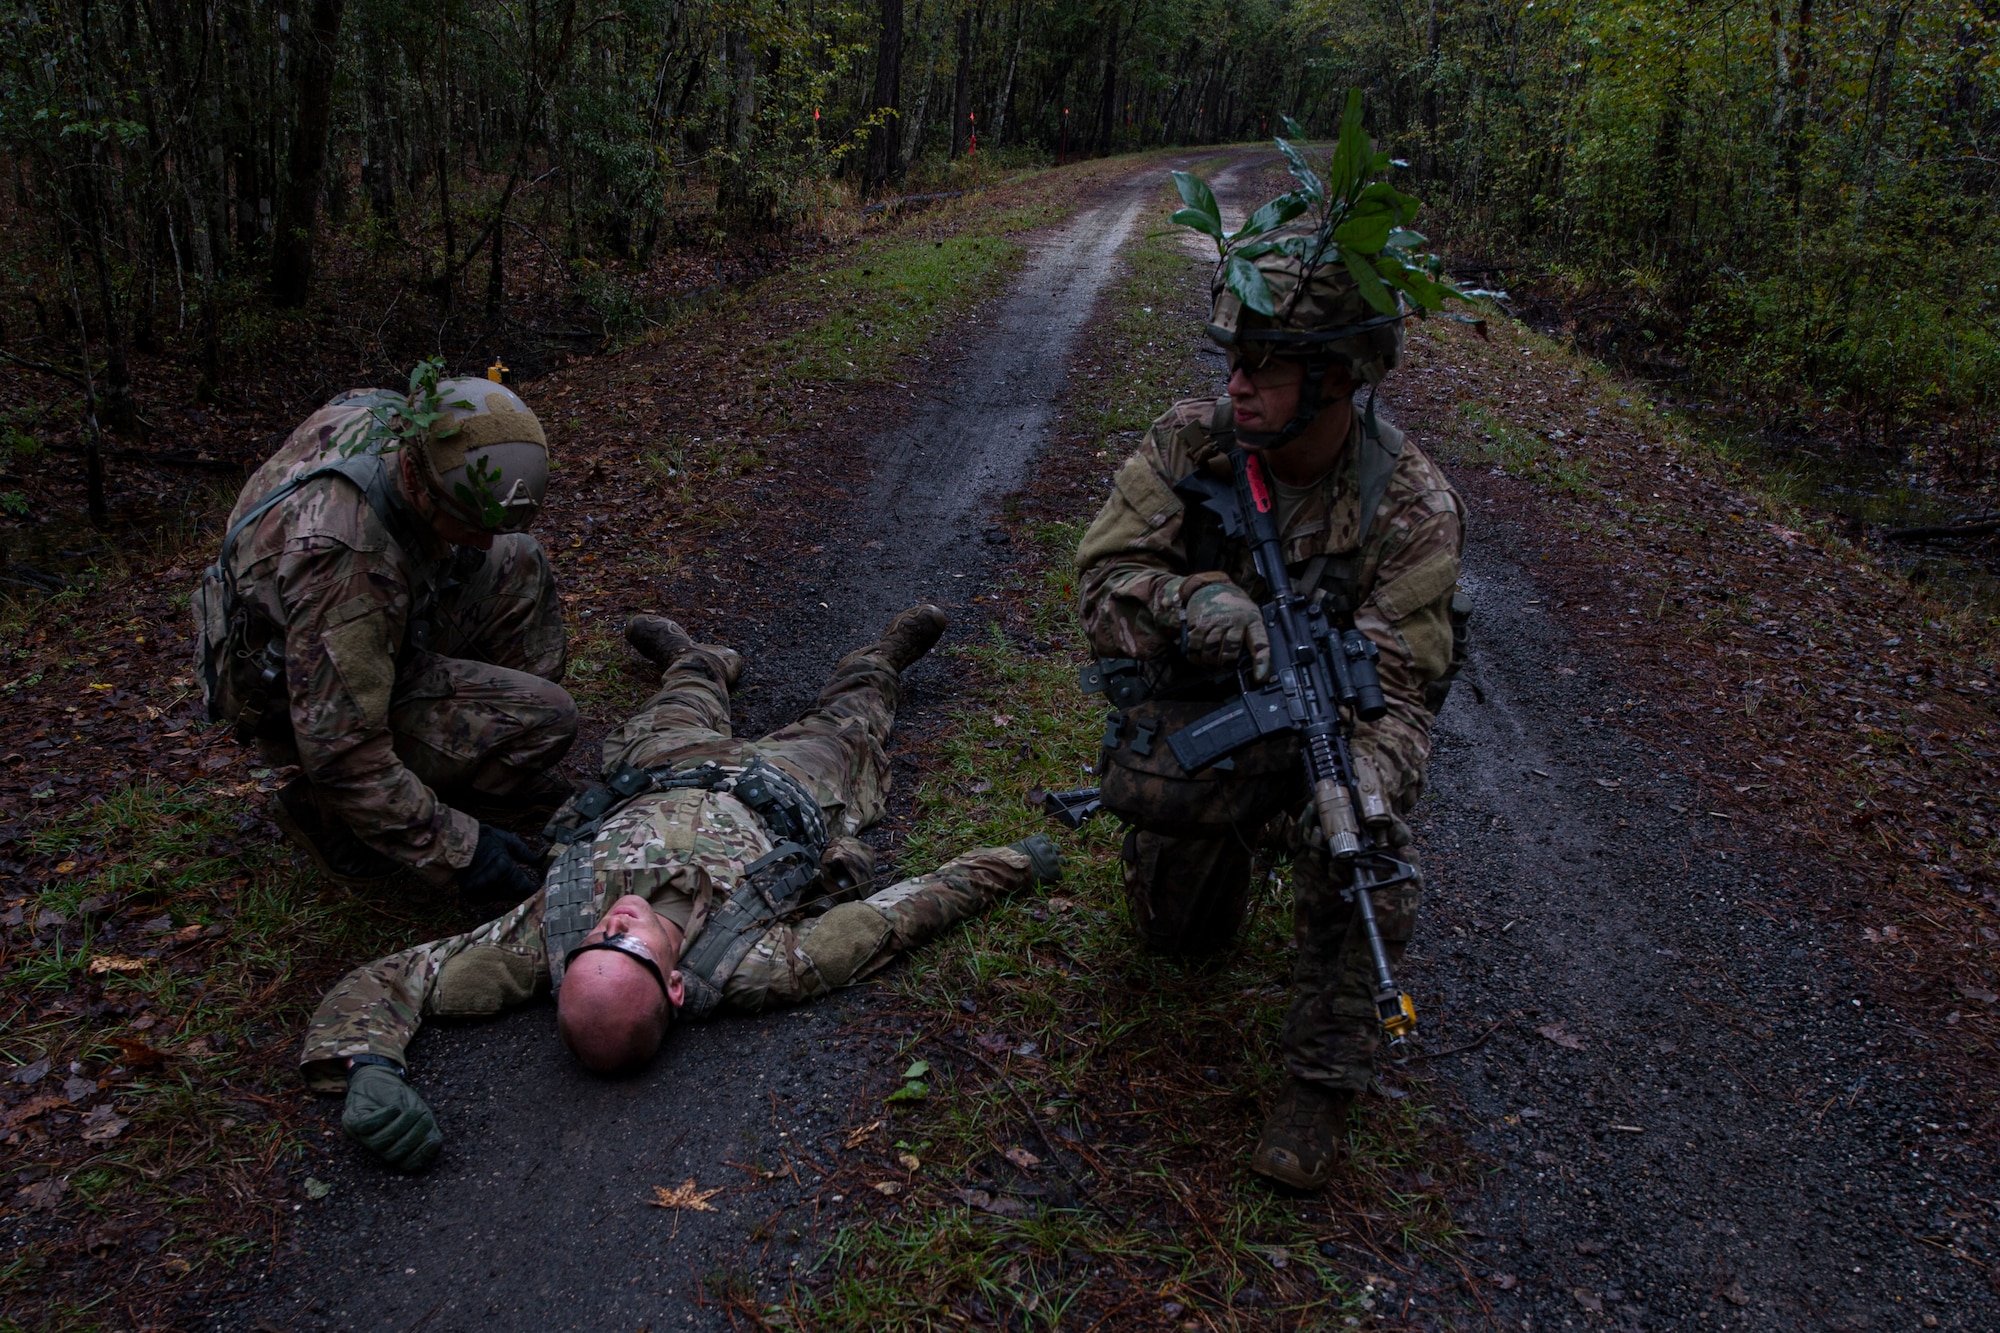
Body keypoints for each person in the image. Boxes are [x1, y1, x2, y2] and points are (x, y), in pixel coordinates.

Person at [299, 605, 1062, 1172]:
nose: (614, 919)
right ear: (670, 988)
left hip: (666, 765)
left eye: (597, 938)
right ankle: (885, 656)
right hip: (791, 785)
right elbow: (903, 913)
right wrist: (1013, 863)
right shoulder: (759, 964)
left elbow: (400, 976)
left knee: (682, 695)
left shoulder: (544, 935)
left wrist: (367, 1064)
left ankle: (696, 658)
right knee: (856, 715)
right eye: (624, 943)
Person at [1073, 250, 1467, 1190]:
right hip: (1220, 713)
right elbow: (1098, 586)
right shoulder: (1191, 445)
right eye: (1233, 362)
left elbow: (1406, 694)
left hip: (1329, 732)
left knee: (1361, 840)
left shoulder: (1410, 507)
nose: (1236, 386)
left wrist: (1358, 783)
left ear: (1336, 379)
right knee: (1176, 939)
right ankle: (1217, 855)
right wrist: (1195, 604)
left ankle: (1320, 1083)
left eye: (1266, 367)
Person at [191, 366, 575, 905]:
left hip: (339, 619)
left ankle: (465, 750)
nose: (484, 542)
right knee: (548, 718)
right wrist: (460, 854)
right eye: (470, 522)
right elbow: (342, 751)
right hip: (290, 688)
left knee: (520, 559)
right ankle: (327, 816)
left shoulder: (393, 417)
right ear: (418, 482)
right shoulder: (346, 562)